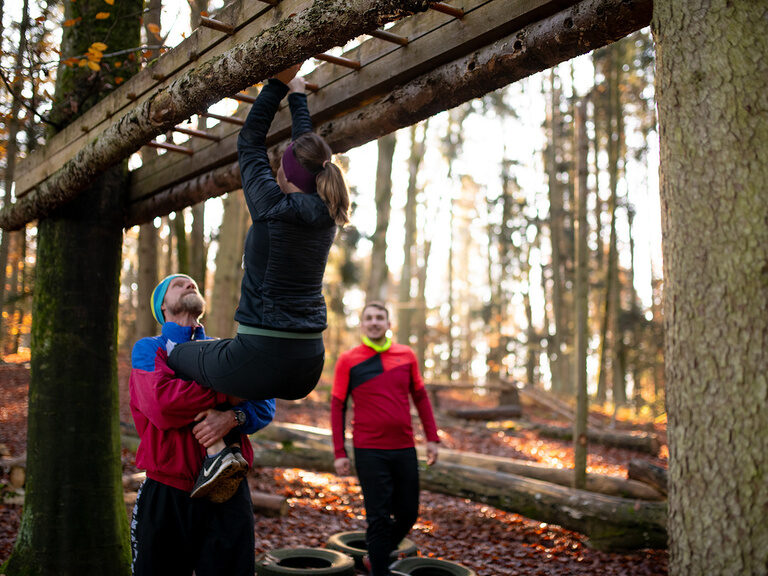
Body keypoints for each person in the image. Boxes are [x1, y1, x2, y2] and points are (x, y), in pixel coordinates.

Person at [167, 63, 349, 403]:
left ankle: (211, 445)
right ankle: (230, 426)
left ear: (290, 173)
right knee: (218, 351)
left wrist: (277, 84)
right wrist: (298, 96)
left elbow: (250, 141)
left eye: (283, 161)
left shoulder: (272, 206)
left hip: (261, 358)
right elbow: (305, 149)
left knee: (175, 355)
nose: (277, 164)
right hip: (308, 366)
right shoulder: (328, 213)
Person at [129, 273, 276, 575]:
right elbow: (162, 405)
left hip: (228, 489)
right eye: (177, 284)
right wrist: (226, 391)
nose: (188, 284)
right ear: (163, 307)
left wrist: (232, 417)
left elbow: (265, 401)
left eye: (192, 283)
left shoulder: (224, 350)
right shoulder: (149, 349)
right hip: (167, 491)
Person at [331, 302, 440, 576]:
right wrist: (339, 452)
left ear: (389, 323)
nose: (375, 322)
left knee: (408, 514)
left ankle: (375, 556)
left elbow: (421, 397)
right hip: (369, 450)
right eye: (369, 318)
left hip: (404, 447)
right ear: (362, 324)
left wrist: (432, 438)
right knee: (378, 518)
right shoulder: (348, 359)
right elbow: (337, 406)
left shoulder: (407, 355)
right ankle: (379, 569)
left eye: (380, 317)